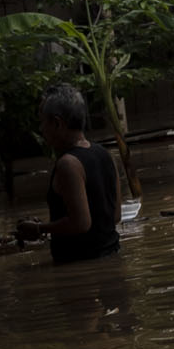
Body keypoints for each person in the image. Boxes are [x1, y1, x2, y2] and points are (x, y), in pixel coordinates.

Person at [37, 83, 122, 266]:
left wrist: (38, 229)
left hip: (80, 267)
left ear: (58, 123)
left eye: (43, 121)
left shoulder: (68, 164)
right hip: (113, 258)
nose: (41, 129)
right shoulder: (105, 154)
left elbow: (81, 223)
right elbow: (115, 216)